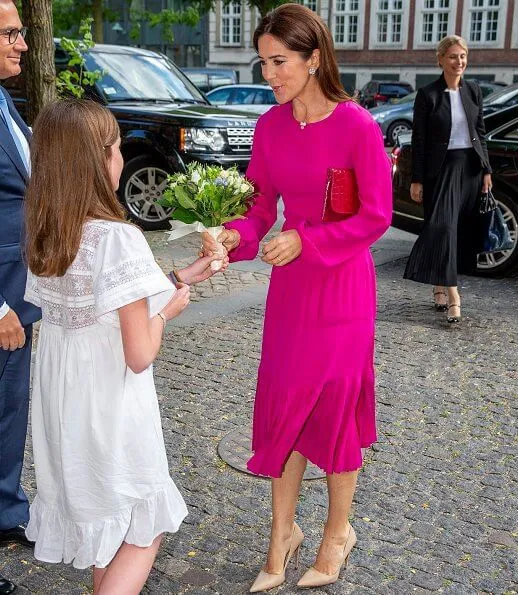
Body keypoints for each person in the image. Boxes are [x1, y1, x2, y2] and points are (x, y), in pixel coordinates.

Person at [202, 4, 391, 591]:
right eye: (263, 63)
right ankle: (281, 534)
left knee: (333, 408)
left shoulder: (358, 125)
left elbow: (377, 216)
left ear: (314, 58)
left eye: (279, 61)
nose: (269, 75)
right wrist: (232, 235)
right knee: (284, 402)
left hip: (342, 289)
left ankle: (338, 531)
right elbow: (261, 209)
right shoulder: (270, 127)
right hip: (291, 292)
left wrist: (305, 240)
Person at [23, 99, 224, 594]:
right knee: (142, 528)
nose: (121, 158)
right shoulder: (118, 237)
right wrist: (166, 309)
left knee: (107, 532)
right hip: (110, 402)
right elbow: (139, 352)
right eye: (115, 149)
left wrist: (175, 279)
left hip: (65, 399)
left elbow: (96, 305)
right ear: (100, 160)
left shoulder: (48, 231)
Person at [403, 35, 492, 323]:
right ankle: (454, 296)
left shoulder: (474, 90)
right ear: (440, 59)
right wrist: (417, 180)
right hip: (440, 171)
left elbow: (480, 131)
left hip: (469, 167)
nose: (459, 61)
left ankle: (440, 286)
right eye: (453, 56)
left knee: (457, 230)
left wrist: (487, 170)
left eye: (463, 55)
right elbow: (419, 140)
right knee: (442, 227)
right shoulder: (427, 94)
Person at [0, 3, 39, 593]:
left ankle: (6, 511)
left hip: (22, 286)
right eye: (9, 33)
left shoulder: (5, 102)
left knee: (10, 408)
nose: (22, 45)